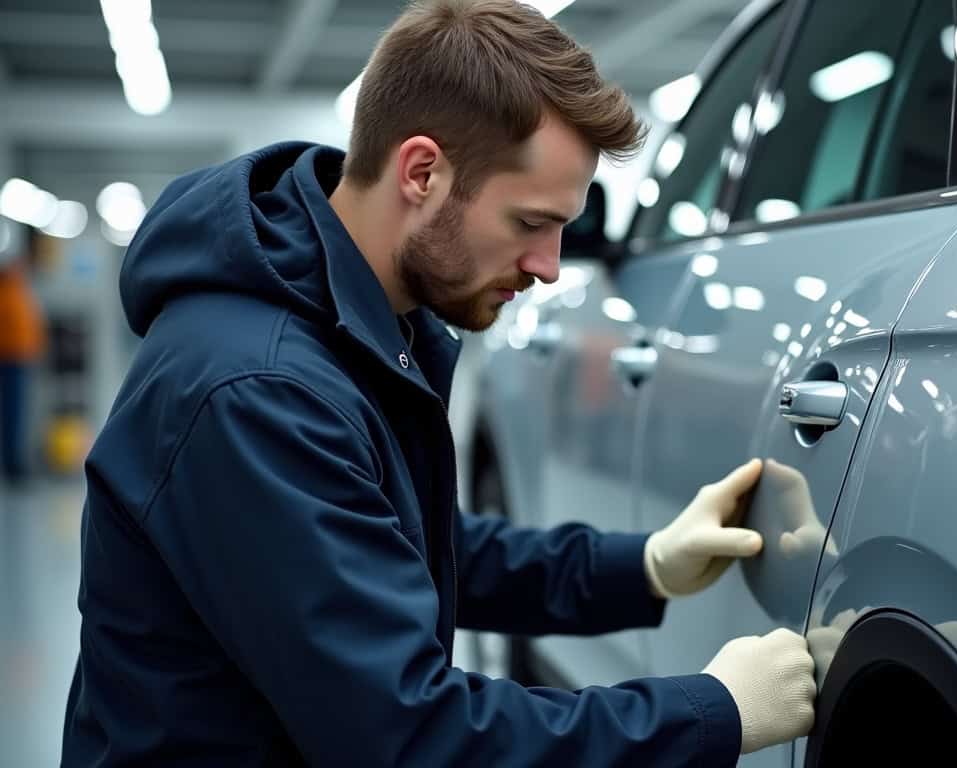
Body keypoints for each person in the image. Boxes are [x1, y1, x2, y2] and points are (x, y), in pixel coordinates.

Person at [60, 1, 816, 765]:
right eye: (529, 223)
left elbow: (402, 549)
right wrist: (712, 712)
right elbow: (410, 735)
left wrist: (644, 564)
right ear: (422, 173)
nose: (551, 265)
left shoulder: (348, 320)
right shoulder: (260, 389)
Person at [0, 224, 47, 485]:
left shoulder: (22, 278)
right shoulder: (9, 277)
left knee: (18, 413)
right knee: (12, 413)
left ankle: (15, 460)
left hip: (22, 353)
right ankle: (12, 464)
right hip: (9, 354)